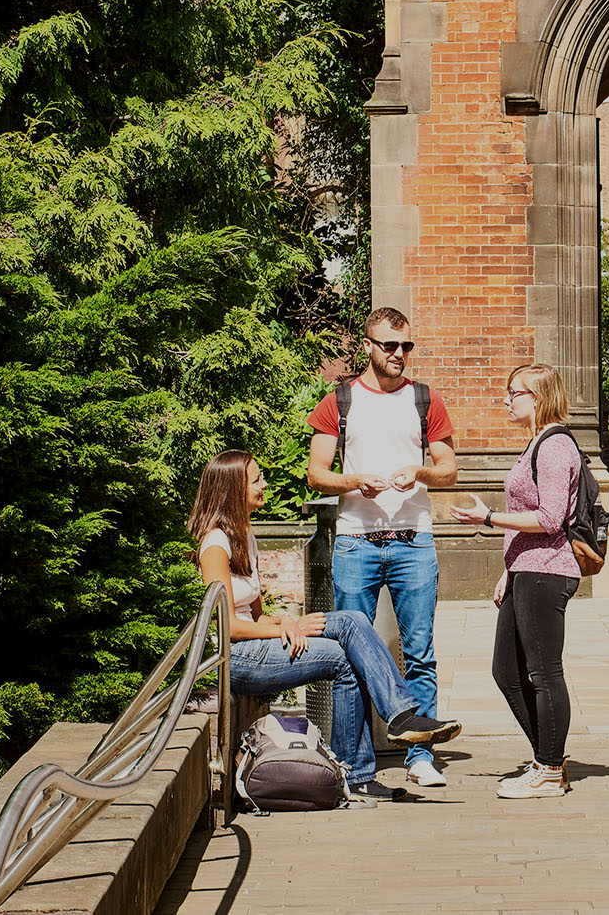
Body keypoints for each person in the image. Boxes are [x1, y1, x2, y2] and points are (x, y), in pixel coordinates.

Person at [191, 450, 462, 802]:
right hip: (237, 659)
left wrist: (288, 620)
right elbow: (227, 627)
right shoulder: (216, 544)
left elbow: (255, 616)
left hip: (257, 645)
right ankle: (361, 768)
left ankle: (399, 718)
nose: (265, 484)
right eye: (256, 479)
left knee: (352, 621)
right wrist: (284, 629)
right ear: (231, 489)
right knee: (343, 659)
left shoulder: (244, 534)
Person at [306, 307, 459, 790]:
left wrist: (420, 472)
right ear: (367, 346)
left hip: (414, 540)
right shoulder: (341, 401)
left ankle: (420, 754)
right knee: (348, 654)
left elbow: (450, 470)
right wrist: (353, 481)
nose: (399, 355)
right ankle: (354, 762)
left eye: (406, 346)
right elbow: (316, 474)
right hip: (356, 541)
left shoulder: (425, 400)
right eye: (390, 346)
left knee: (420, 652)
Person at [450, 363, 583, 798]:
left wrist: (487, 517)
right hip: (525, 569)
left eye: (513, 393)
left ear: (538, 397)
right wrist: (508, 570)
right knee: (506, 671)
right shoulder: (535, 445)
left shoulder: (556, 445)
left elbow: (549, 519)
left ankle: (548, 768)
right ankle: (548, 757)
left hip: (547, 570)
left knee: (544, 672)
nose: (506, 400)